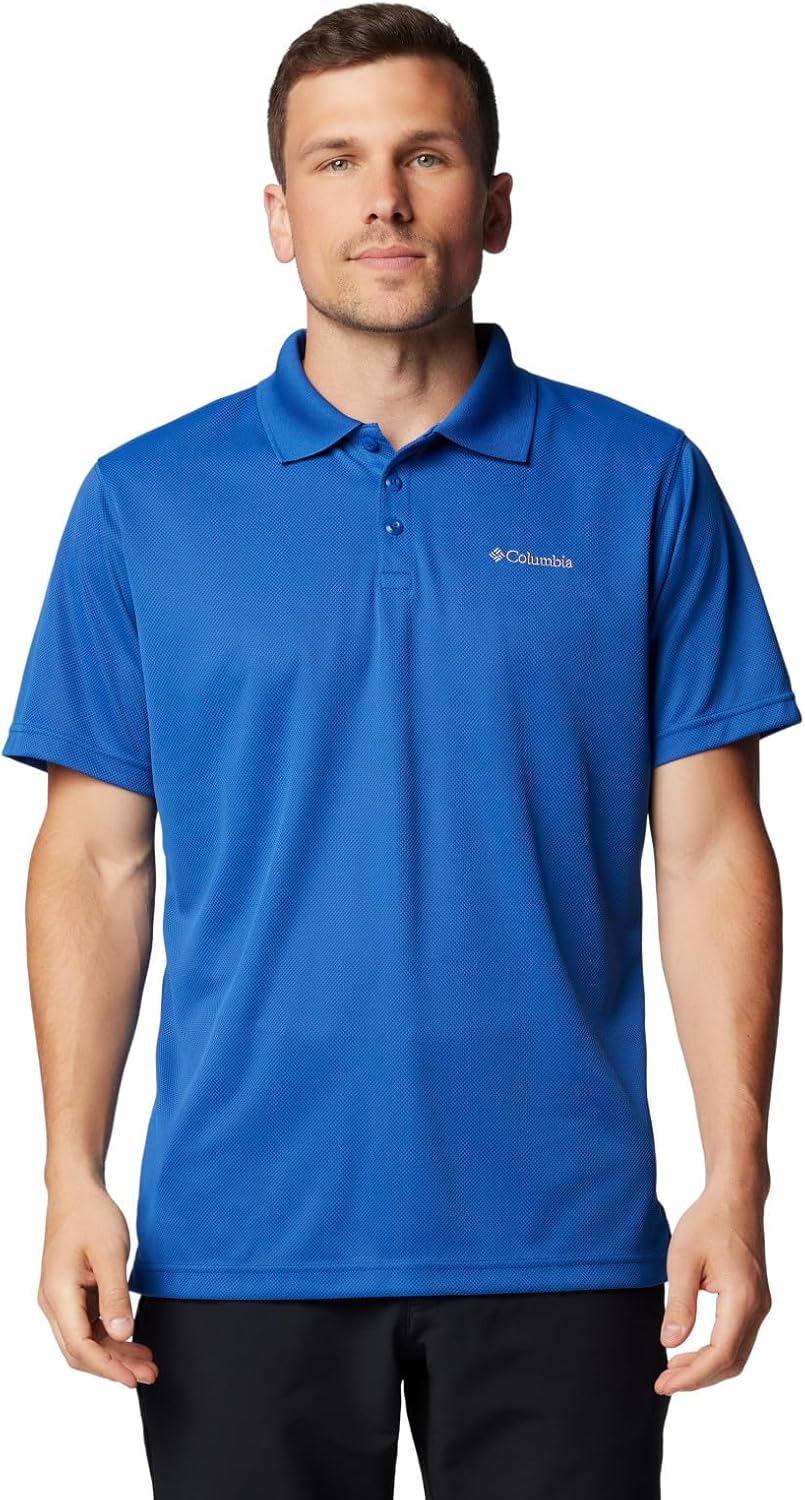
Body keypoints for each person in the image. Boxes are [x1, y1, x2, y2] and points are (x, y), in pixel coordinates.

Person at [4, 4, 800, 1497]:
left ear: (492, 206)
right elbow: (96, 863)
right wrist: (68, 1175)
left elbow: (708, 855)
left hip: (563, 1236)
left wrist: (736, 1181)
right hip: (237, 1235)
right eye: (337, 162)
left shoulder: (643, 482)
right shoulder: (143, 502)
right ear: (277, 214)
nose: (381, 199)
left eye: (424, 157)